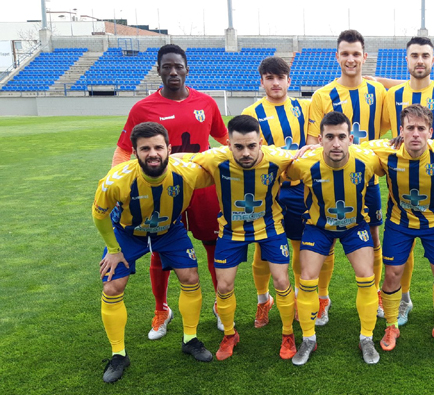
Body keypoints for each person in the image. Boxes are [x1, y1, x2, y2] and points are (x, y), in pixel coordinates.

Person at [113, 44, 228, 341]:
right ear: (158, 69)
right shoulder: (143, 109)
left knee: (212, 244)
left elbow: (225, 139)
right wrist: (117, 182)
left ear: (187, 68)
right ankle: (161, 308)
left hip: (203, 188)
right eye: (167, 67)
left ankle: (219, 304)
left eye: (178, 66)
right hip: (160, 190)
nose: (173, 72)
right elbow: (124, 149)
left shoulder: (206, 103)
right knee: (158, 246)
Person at [93, 122, 215, 383]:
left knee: (190, 277)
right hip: (127, 233)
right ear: (135, 152)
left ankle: (190, 339)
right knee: (112, 287)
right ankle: (118, 355)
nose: (152, 153)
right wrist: (113, 250)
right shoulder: (116, 180)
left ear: (169, 149)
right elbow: (99, 215)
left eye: (159, 147)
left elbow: (220, 165)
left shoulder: (187, 171)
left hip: (170, 231)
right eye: (145, 148)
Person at [185, 115, 297, 361]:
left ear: (261, 143)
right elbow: (180, 160)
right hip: (231, 230)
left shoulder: (278, 158)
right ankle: (229, 333)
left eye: (251, 146)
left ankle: (288, 333)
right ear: (228, 144)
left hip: (269, 226)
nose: (245, 152)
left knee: (280, 280)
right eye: (238, 147)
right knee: (224, 286)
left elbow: (308, 157)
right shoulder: (214, 158)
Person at [365, 105, 434, 352]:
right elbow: (350, 147)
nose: (415, 133)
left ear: (430, 131)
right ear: (401, 131)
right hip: (399, 223)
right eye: (410, 128)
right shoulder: (387, 151)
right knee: (393, 273)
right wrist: (315, 147)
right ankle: (391, 325)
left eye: (421, 128)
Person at [240, 57, 335, 328]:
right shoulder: (251, 112)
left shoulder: (305, 107)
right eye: (269, 78)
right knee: (263, 251)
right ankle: (263, 300)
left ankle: (312, 297)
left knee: (303, 248)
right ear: (262, 81)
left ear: (289, 80)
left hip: (301, 191)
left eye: (280, 77)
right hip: (266, 192)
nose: (275, 83)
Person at [380, 37, 434, 324]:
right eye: (414, 55)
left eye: (425, 55)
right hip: (399, 175)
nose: (419, 60)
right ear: (406, 60)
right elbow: (378, 130)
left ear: (433, 60)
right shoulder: (391, 96)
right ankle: (402, 300)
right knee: (398, 252)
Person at [286, 111, 382, 366]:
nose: (336, 143)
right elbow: (276, 163)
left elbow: (396, 152)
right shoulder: (304, 164)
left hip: (354, 226)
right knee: (306, 279)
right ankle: (308, 338)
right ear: (320, 139)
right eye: (330, 137)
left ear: (351, 138)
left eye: (341, 136)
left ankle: (367, 337)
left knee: (366, 277)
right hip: (319, 227)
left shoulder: (368, 160)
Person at [307, 30, 386, 326]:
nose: (350, 59)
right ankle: (323, 298)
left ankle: (375, 292)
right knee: (324, 242)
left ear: (364, 57)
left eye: (356, 53)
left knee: (374, 240)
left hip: (367, 183)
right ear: (337, 56)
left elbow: (408, 91)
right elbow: (313, 142)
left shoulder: (377, 91)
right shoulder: (322, 95)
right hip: (328, 182)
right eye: (345, 53)